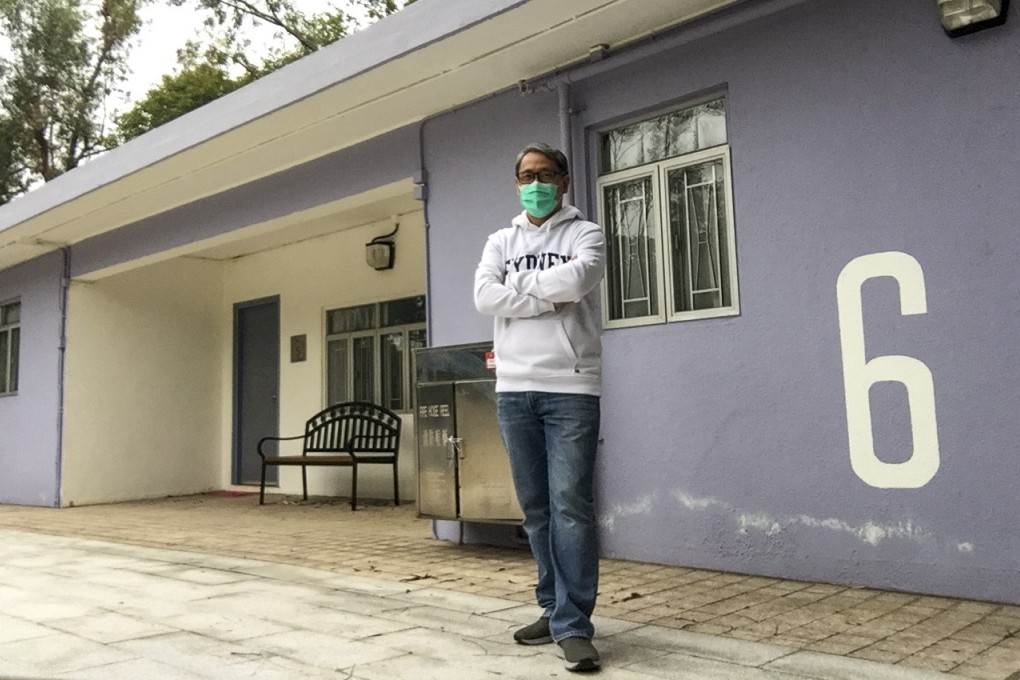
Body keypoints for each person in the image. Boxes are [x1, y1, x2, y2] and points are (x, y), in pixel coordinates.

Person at [474, 143, 606, 672]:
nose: (535, 182)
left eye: (545, 173)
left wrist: (519, 286)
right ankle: (552, 609)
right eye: (526, 175)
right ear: (516, 183)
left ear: (564, 180)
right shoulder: (500, 239)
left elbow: (579, 278)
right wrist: (547, 296)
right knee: (536, 511)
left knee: (571, 507)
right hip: (513, 387)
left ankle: (574, 625)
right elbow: (485, 296)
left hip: (571, 385)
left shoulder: (585, 233)